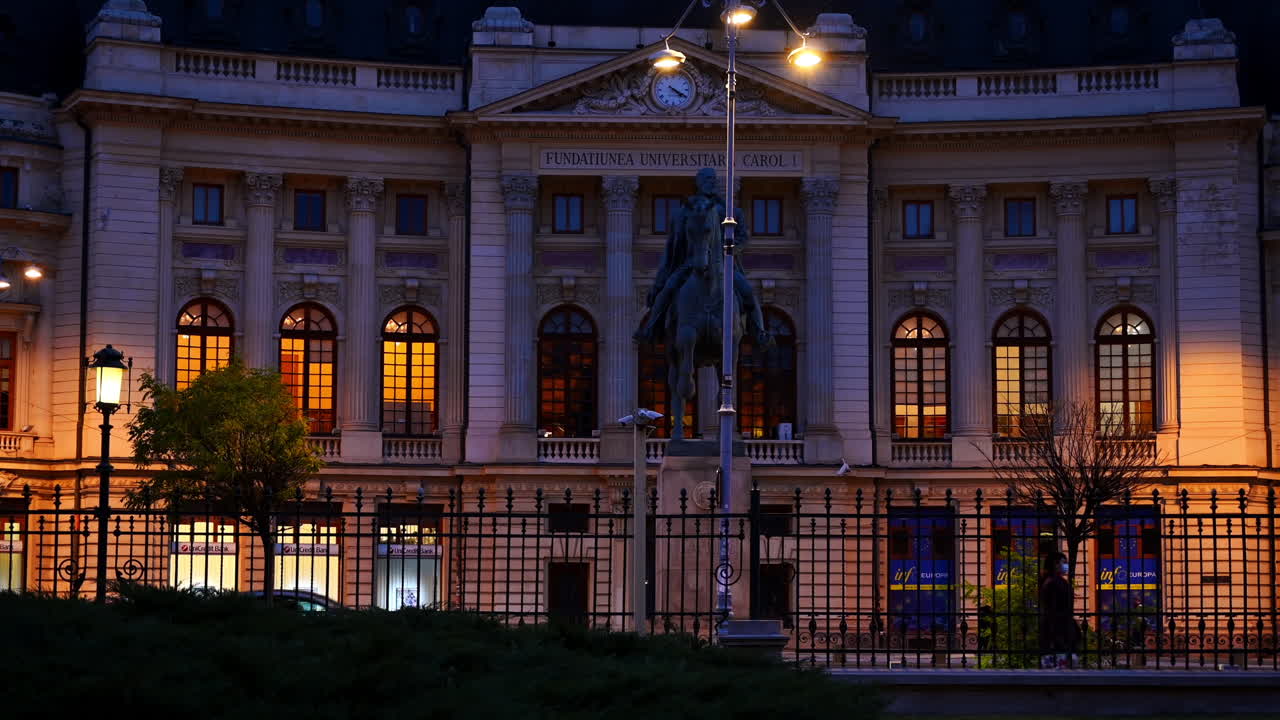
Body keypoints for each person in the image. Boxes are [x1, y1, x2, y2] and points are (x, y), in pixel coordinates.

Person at [634, 167, 769, 347]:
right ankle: (651, 328)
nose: (710, 182)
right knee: (666, 291)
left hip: (724, 266)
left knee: (748, 292)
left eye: (713, 179)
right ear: (697, 183)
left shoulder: (731, 212)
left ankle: (759, 332)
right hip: (690, 264)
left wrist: (729, 249)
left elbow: (742, 238)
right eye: (706, 179)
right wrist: (661, 280)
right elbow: (673, 246)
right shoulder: (684, 212)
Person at [1038, 551, 1079, 669]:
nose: (1066, 565)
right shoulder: (1053, 582)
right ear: (1055, 564)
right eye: (1063, 562)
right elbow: (1053, 609)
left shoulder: (1054, 581)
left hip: (1059, 630)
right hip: (1058, 632)